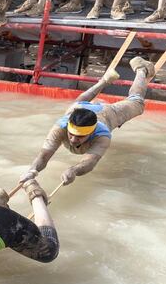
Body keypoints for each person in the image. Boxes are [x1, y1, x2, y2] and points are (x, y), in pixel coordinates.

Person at [21, 56, 155, 186]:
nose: (73, 140)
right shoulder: (60, 127)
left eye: (79, 137)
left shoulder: (102, 136)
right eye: (71, 134)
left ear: (91, 134)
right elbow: (43, 156)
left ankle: (142, 69)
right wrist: (32, 171)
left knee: (137, 102)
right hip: (78, 108)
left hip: (106, 113)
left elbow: (90, 162)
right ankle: (104, 81)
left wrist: (74, 170)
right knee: (77, 104)